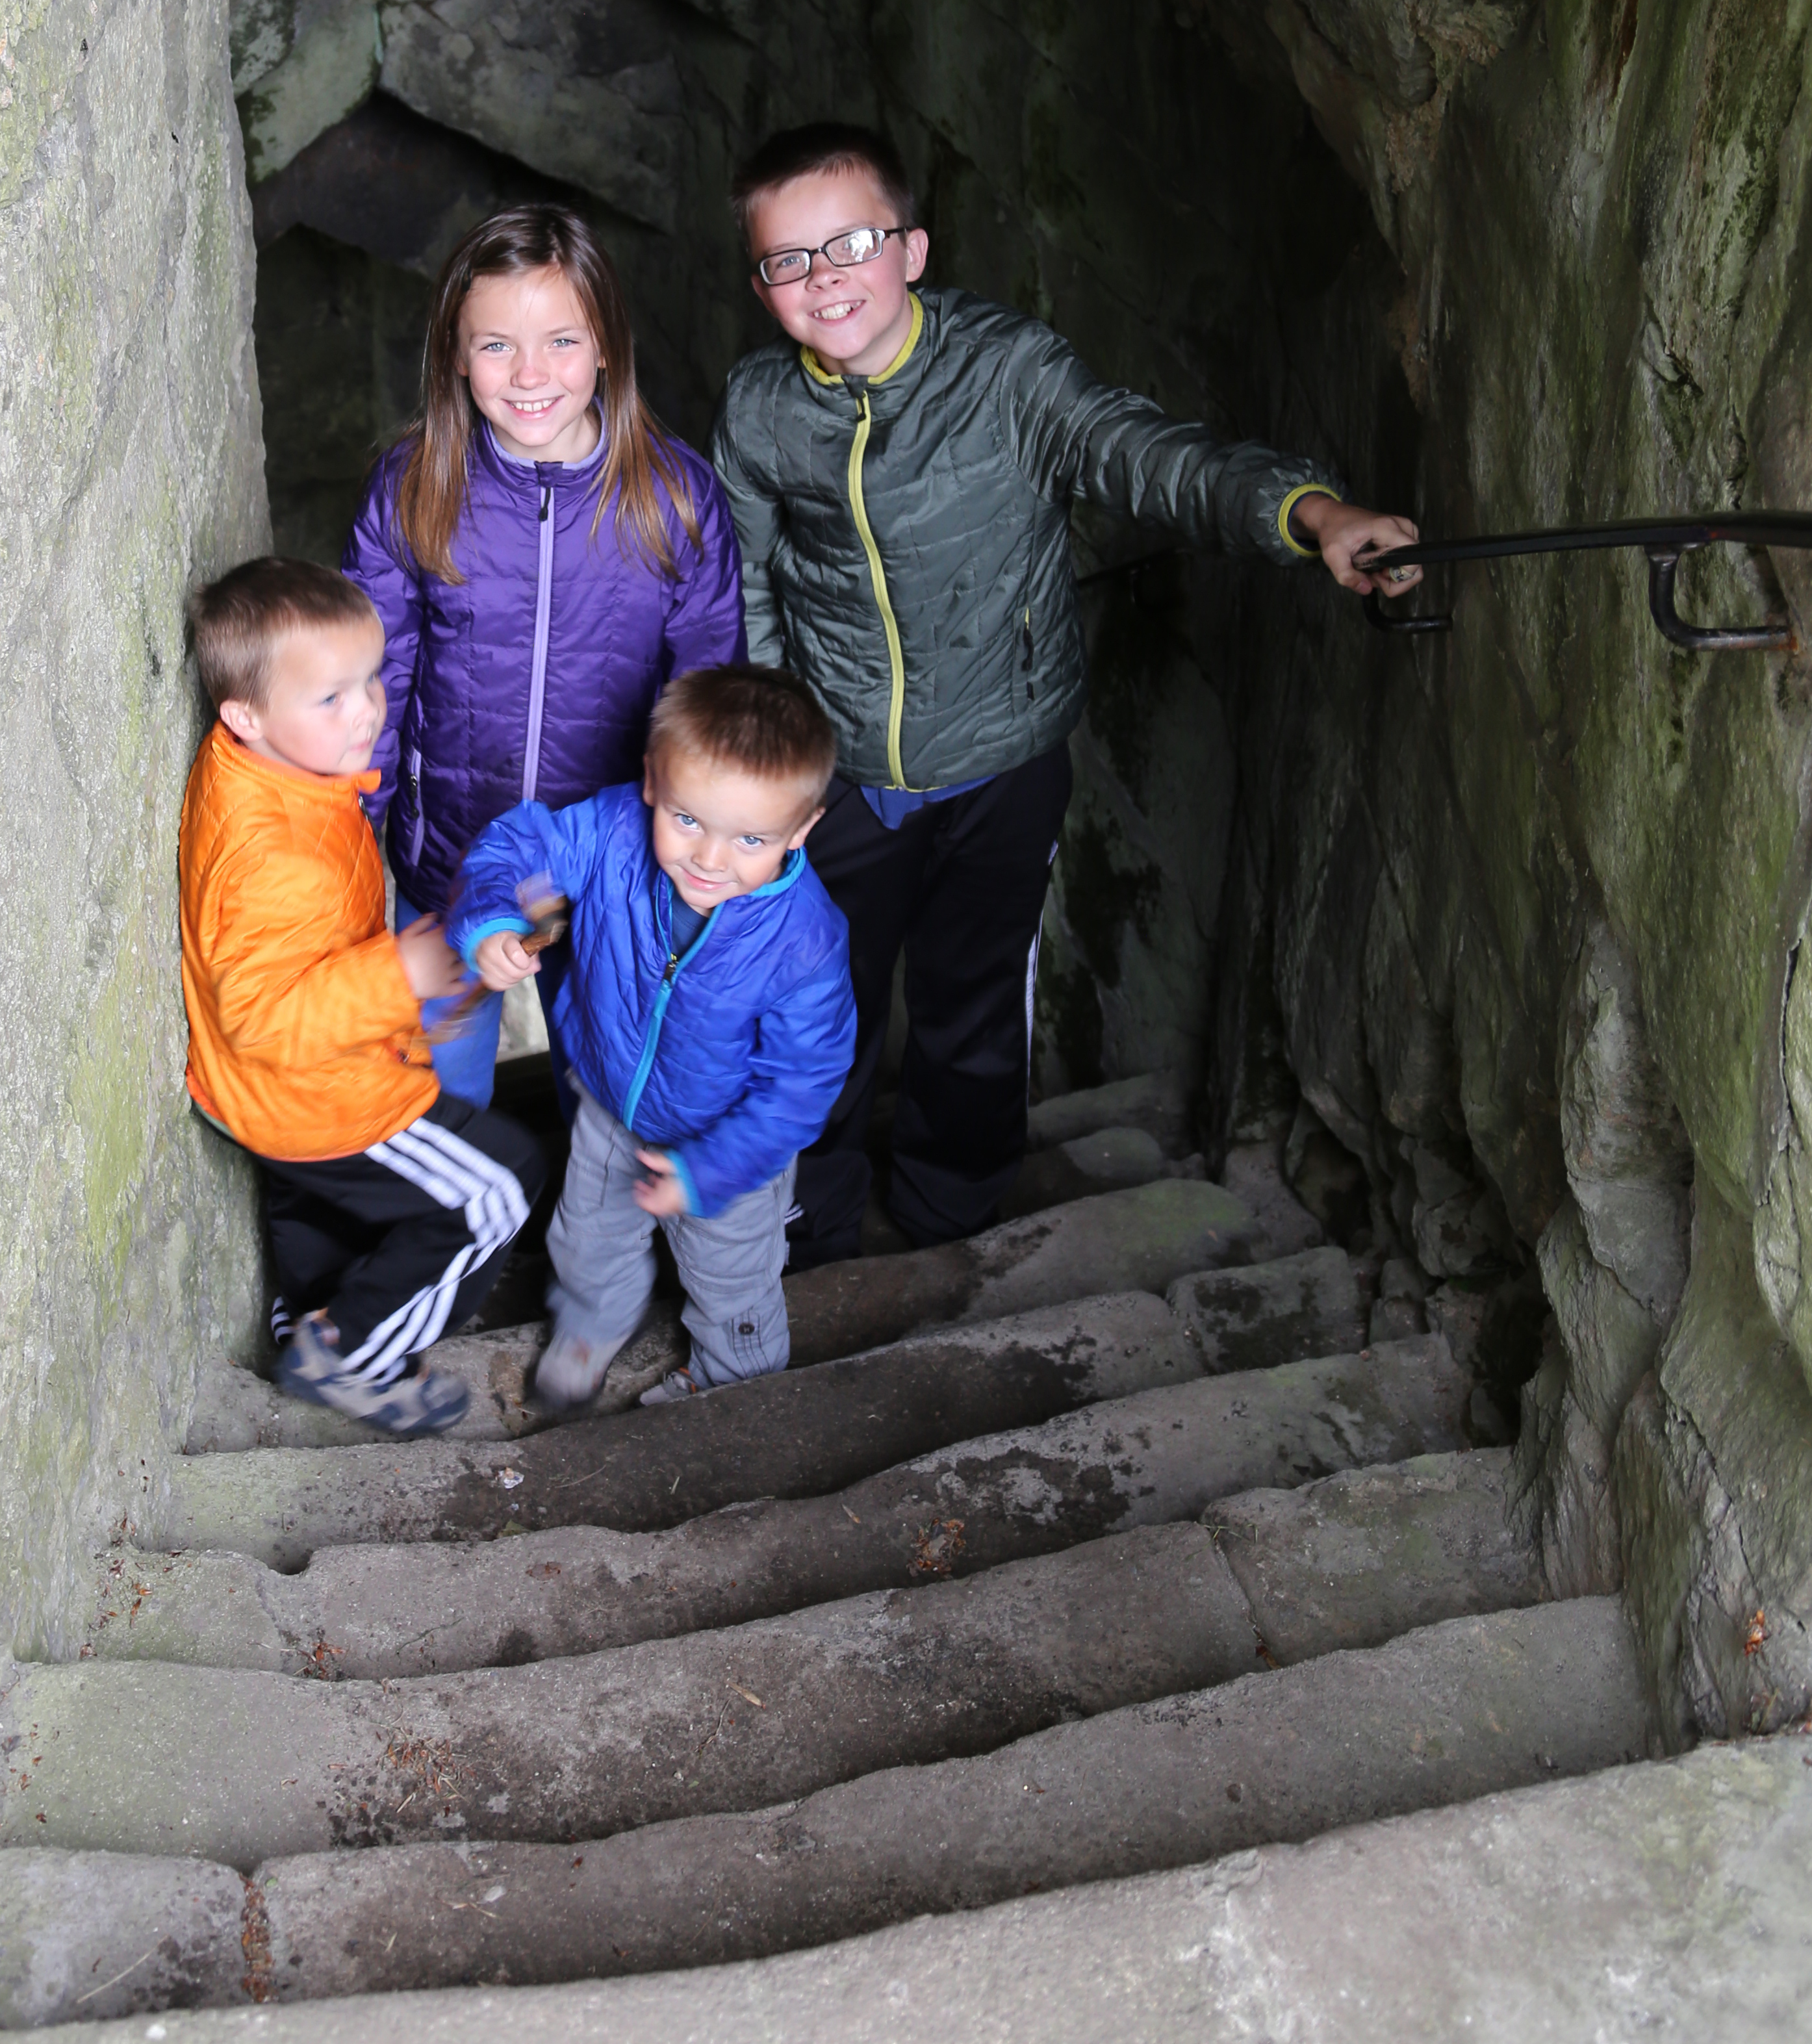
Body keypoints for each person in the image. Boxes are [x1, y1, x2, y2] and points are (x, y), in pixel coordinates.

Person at [708, 121, 1423, 1268]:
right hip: (830, 777)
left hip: (1001, 760)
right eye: (787, 259)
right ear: (760, 283)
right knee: (808, 1014)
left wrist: (1308, 516)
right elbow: (740, 584)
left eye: (849, 242)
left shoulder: (1008, 374)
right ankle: (807, 1227)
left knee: (972, 1000)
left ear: (913, 247)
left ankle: (949, 1216)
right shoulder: (758, 409)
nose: (823, 276)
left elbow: (1151, 457)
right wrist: (760, 762)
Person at [345, 203, 745, 1105]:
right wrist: (350, 837)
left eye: (561, 340)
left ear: (607, 346)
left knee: (610, 1095)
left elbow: (706, 699)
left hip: (610, 870)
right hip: (447, 854)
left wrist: (701, 862)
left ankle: (596, 1247)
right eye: (495, 346)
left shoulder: (675, 498)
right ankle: (467, 1243)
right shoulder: (415, 485)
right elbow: (374, 677)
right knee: (435, 1100)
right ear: (454, 352)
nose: (530, 375)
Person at [177, 555, 544, 1437]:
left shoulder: (264, 773)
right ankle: (349, 1351)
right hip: (314, 1090)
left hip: (261, 1093)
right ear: (247, 716)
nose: (370, 708)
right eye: (331, 698)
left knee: (316, 1202)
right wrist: (400, 977)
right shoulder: (274, 855)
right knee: (498, 1187)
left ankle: (307, 1308)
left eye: (370, 679)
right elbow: (265, 1016)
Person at [449, 667, 855, 1411]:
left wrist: (707, 1174)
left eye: (752, 838)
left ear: (802, 830)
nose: (709, 859)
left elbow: (802, 1086)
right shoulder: (611, 833)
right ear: (651, 784)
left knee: (730, 1277)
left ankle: (735, 1378)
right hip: (609, 1106)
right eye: (688, 819)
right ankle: (589, 1328)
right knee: (586, 1240)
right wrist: (498, 917)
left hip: (728, 1149)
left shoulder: (805, 942)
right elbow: (523, 848)